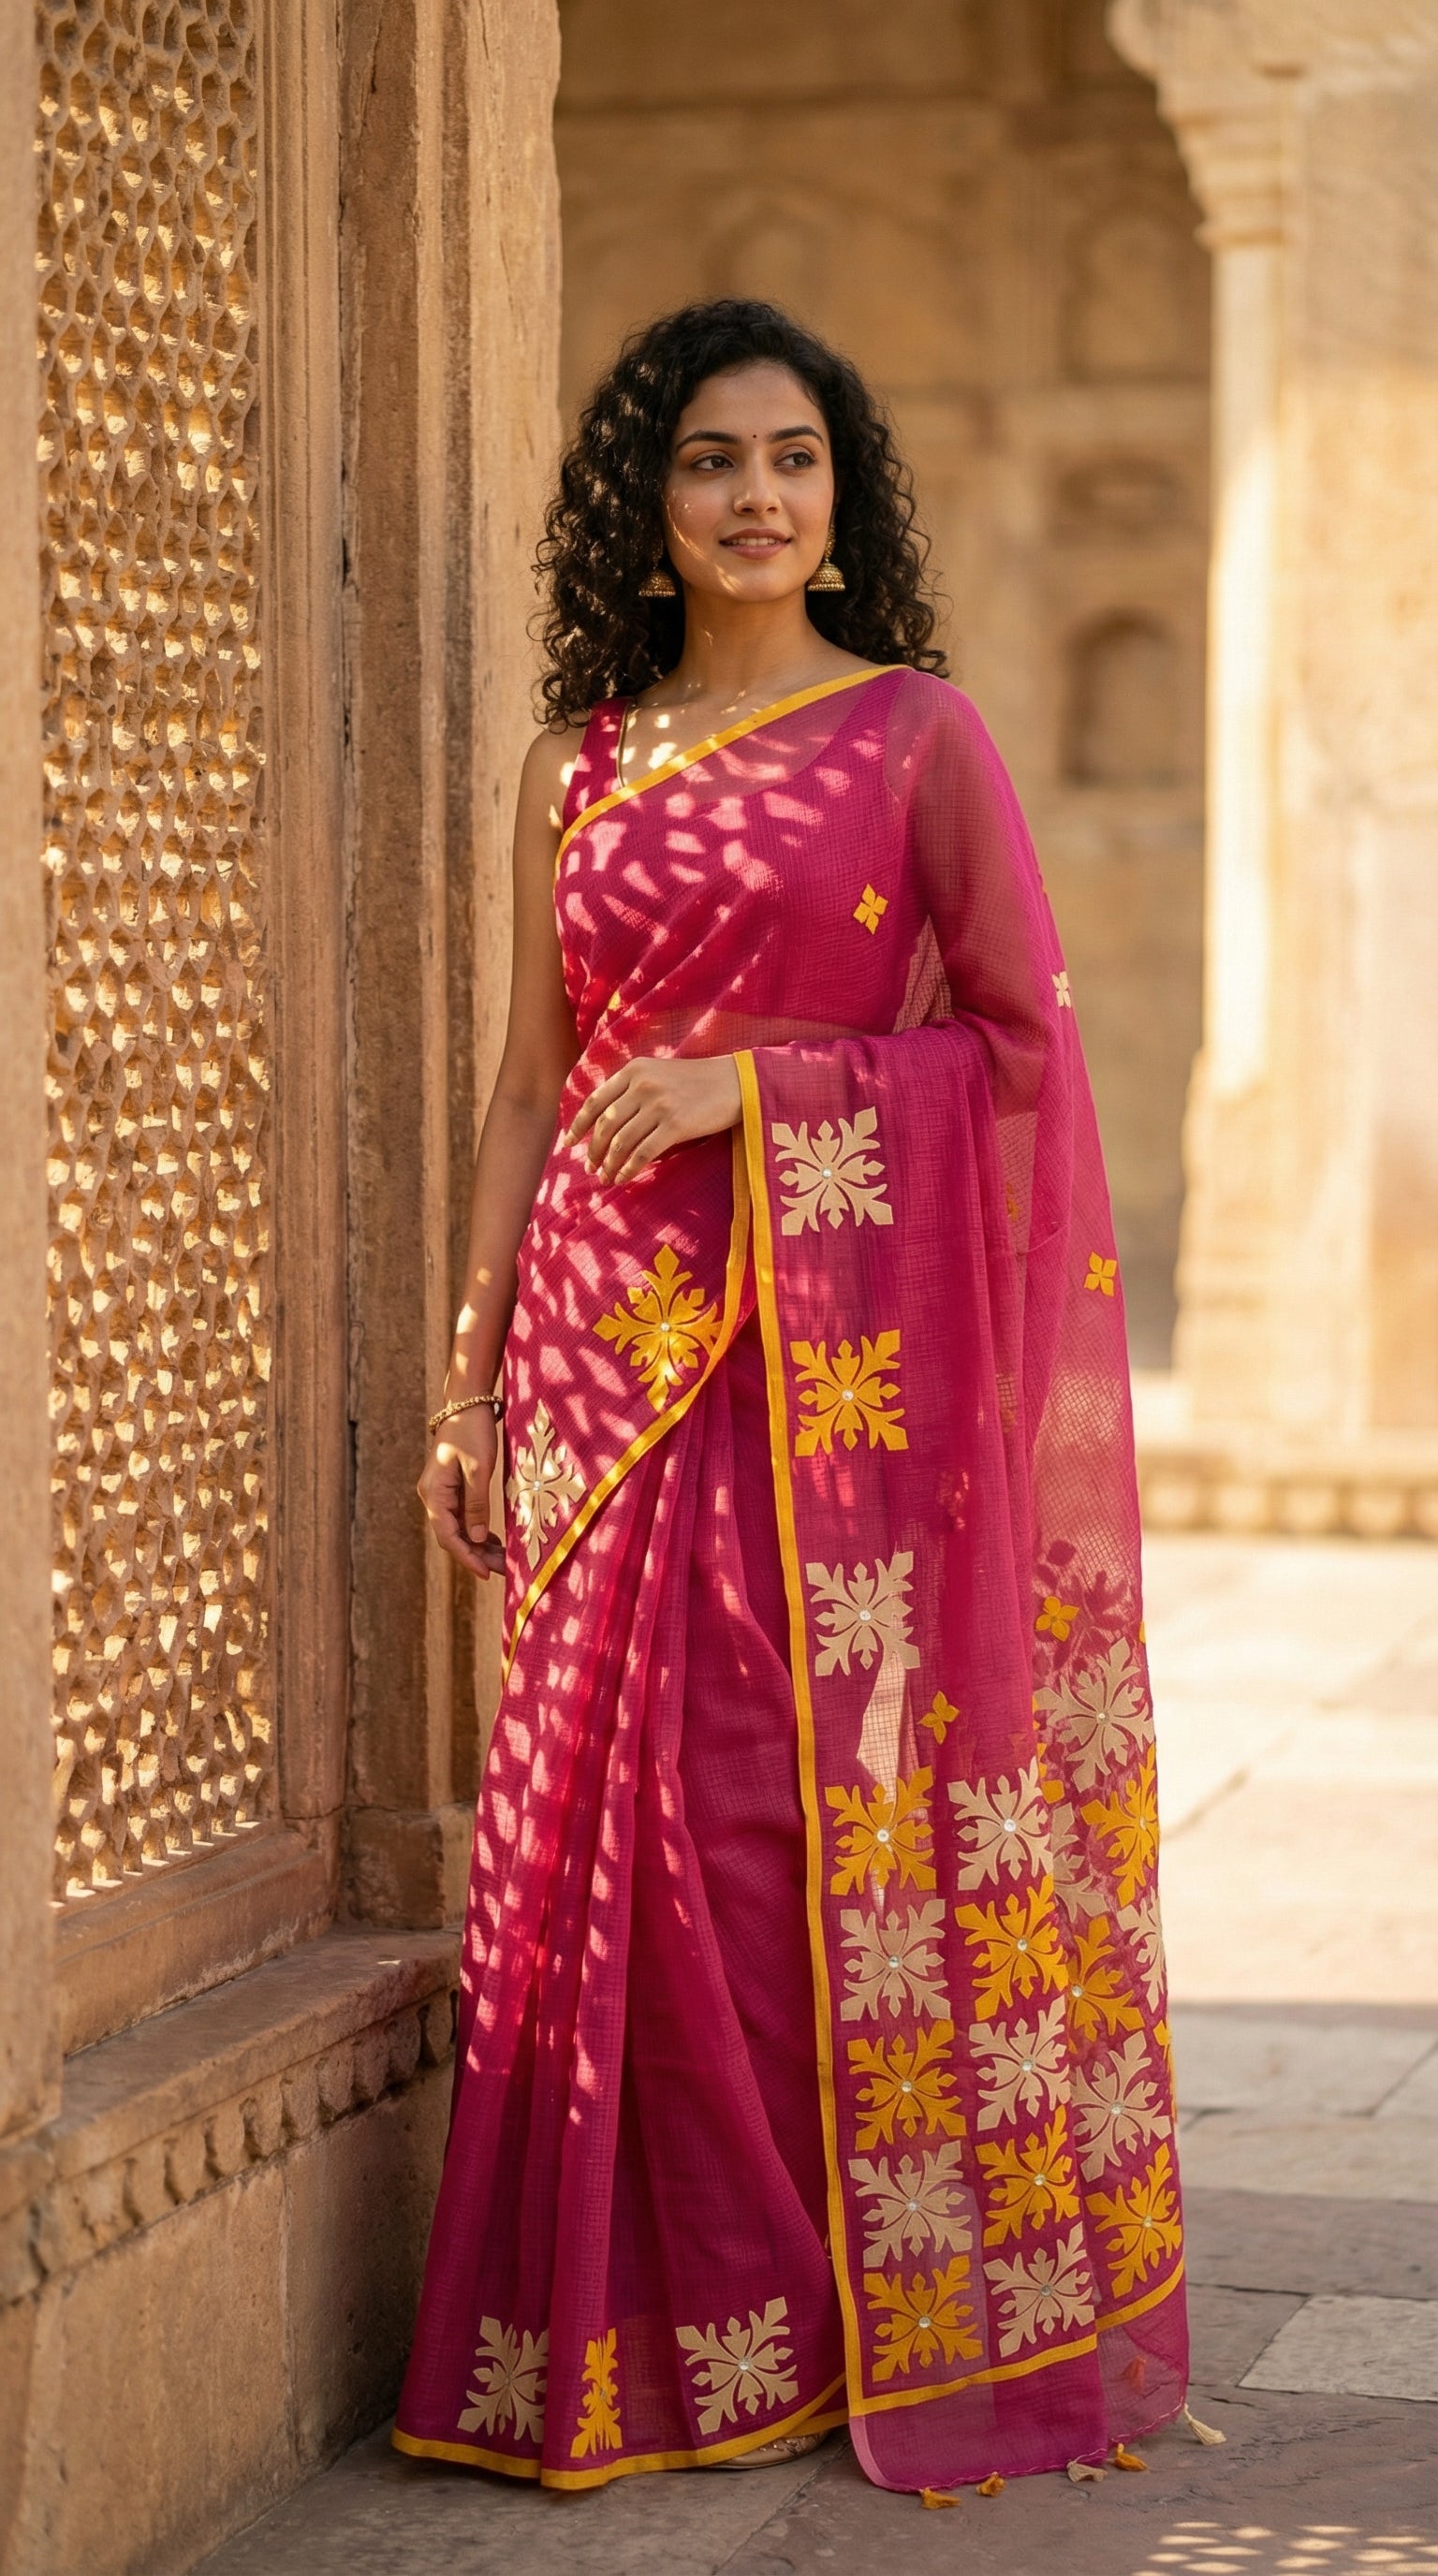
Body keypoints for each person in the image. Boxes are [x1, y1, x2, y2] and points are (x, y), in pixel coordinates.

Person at [392, 299, 1187, 2496]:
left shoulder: (917, 735)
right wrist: (464, 1387)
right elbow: (525, 1087)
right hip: (589, 1344)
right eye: (713, 462)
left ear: (843, 497)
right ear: (645, 512)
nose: (759, 496)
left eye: (796, 460)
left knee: (756, 1827)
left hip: (812, 1371)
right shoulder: (583, 760)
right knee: (582, 1832)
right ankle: (627, 2338)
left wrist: (764, 1086)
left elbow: (1017, 1053)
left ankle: (823, 2313)